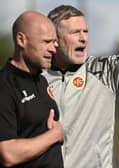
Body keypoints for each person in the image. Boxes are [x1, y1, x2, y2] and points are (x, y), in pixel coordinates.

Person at [43, 5, 119, 168]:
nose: (83, 38)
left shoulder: (104, 71)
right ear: (55, 39)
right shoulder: (35, 79)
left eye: (85, 31)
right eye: (75, 32)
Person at [0, 11, 64, 168]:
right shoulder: (5, 87)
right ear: (21, 40)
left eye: (55, 42)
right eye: (47, 41)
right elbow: (8, 154)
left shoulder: (41, 80)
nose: (53, 49)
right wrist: (54, 135)